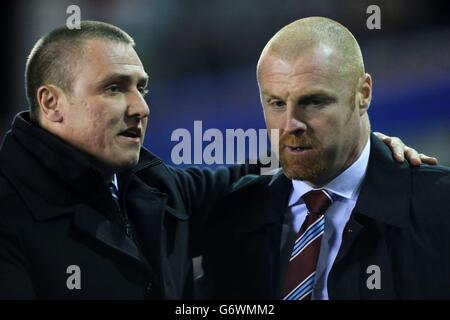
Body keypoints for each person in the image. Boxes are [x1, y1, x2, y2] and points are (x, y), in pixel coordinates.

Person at [0, 20, 434, 300]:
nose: (140, 107)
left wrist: (353, 139)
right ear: (51, 103)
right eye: (114, 88)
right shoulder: (10, 214)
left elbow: (262, 168)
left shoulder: (153, 189)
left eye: (142, 88)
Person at [200, 17, 450, 300]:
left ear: (363, 94)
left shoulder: (439, 207)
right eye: (277, 103)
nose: (291, 123)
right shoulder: (233, 215)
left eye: (314, 101)